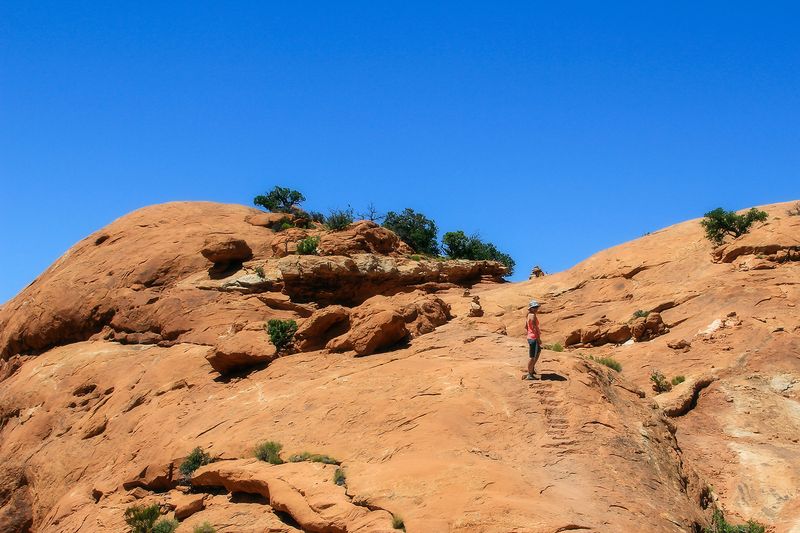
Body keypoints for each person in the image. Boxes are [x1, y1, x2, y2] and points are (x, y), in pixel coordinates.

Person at [523, 300, 541, 380]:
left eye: (537, 307)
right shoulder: (532, 316)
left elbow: (526, 327)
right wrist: (538, 339)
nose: (536, 308)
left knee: (538, 351)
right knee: (532, 357)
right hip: (533, 338)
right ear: (531, 308)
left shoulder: (529, 315)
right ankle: (530, 374)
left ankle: (532, 368)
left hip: (531, 337)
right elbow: (534, 328)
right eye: (534, 307)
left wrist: (529, 333)